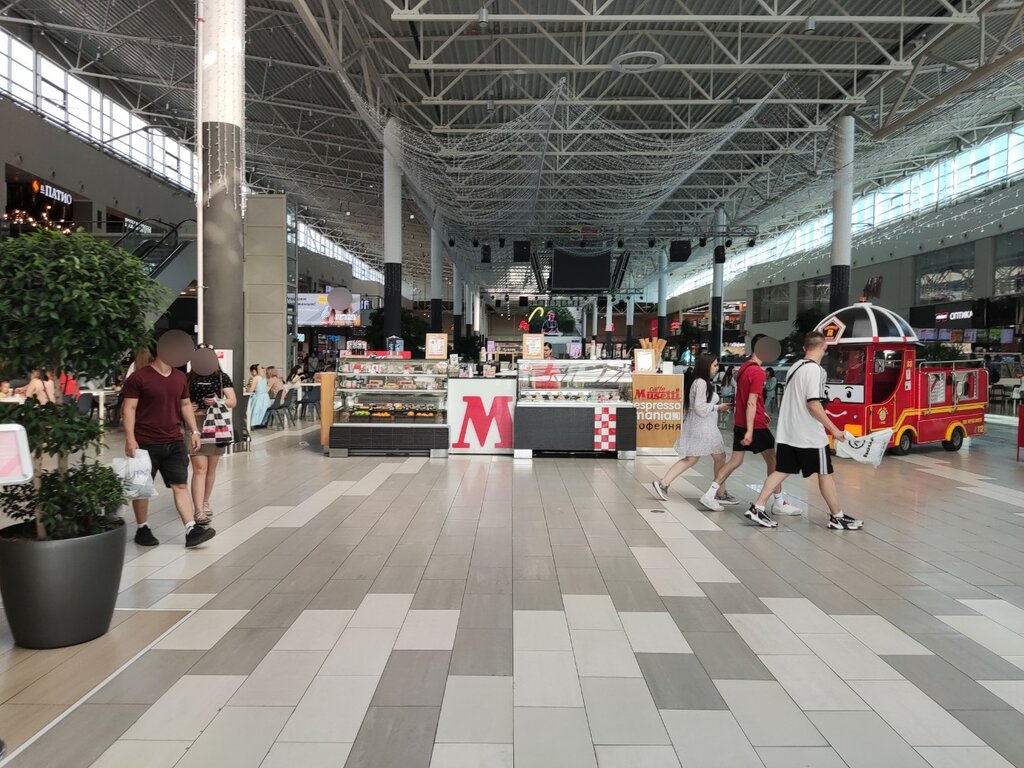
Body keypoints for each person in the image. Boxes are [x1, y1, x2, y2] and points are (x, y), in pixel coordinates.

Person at [745, 331, 863, 531]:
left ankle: (758, 507)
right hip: (809, 435)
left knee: (781, 470)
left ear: (804, 348)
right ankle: (837, 517)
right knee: (825, 472)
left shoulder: (795, 366)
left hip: (788, 432)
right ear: (824, 348)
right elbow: (813, 404)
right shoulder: (816, 370)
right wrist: (834, 429)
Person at [121, 344, 216, 548]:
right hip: (144, 441)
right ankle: (142, 528)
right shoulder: (138, 377)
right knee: (142, 488)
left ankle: (191, 529)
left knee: (180, 485)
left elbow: (185, 405)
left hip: (174, 441)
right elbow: (129, 408)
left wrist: (194, 431)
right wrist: (130, 438)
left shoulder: (180, 377)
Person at [698, 335, 802, 515]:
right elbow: (751, 402)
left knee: (735, 461)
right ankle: (779, 502)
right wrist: (750, 430)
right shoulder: (758, 372)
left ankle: (710, 493)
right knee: (774, 461)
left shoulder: (743, 368)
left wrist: (759, 414)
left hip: (741, 421)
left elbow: (747, 398)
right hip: (754, 424)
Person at [651, 354, 733, 502]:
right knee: (719, 458)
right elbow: (700, 408)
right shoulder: (701, 383)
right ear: (706, 366)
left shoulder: (697, 382)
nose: (717, 368)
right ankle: (720, 493)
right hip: (704, 428)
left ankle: (663, 483)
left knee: (693, 458)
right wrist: (718, 407)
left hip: (699, 426)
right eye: (714, 365)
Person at [188, 344, 237, 526]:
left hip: (215, 423)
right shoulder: (187, 378)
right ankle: (198, 509)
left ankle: (205, 501)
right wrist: (186, 406)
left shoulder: (222, 378)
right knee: (199, 467)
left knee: (210, 468)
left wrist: (218, 401)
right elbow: (179, 401)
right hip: (194, 423)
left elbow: (232, 401)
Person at [246, 363, 272, 429]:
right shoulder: (263, 378)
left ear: (254, 371)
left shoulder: (255, 378)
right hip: (266, 398)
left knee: (251, 407)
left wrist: (247, 389)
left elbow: (251, 390)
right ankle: (261, 423)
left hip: (258, 399)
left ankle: (253, 423)